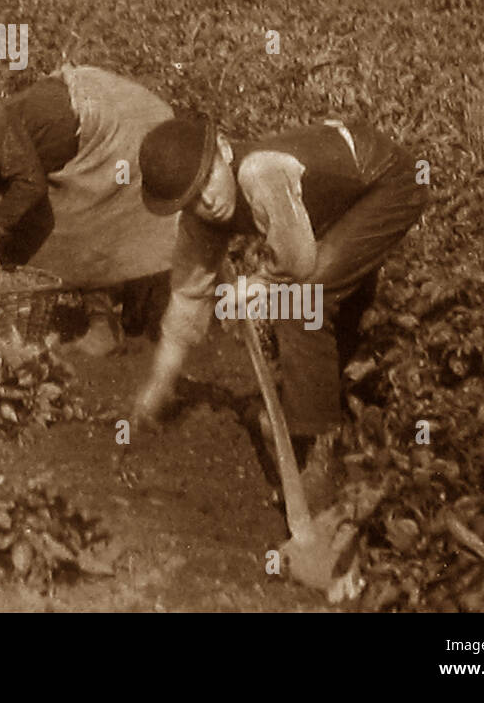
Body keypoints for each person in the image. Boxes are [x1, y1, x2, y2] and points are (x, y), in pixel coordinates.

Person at [135, 114, 428, 499]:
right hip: (336, 201)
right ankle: (335, 403)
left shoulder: (260, 173)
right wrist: (157, 389)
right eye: (191, 199)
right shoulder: (200, 219)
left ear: (224, 150)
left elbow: (297, 263)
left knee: (299, 301)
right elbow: (188, 299)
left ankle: (320, 451)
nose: (207, 200)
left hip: (389, 183)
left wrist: (257, 284)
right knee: (323, 298)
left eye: (208, 179)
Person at [0, 66, 182, 355]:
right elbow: (34, 216)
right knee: (75, 224)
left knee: (97, 224)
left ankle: (126, 323)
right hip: (100, 117)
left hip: (118, 121)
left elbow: (31, 189)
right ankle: (112, 318)